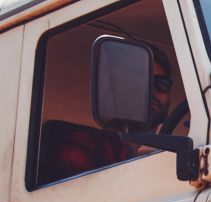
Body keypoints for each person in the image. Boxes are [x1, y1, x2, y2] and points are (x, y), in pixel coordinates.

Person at [41, 44, 176, 184]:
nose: (150, 92)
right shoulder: (84, 144)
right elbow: (77, 200)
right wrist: (138, 167)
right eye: (140, 85)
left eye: (161, 84)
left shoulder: (174, 155)